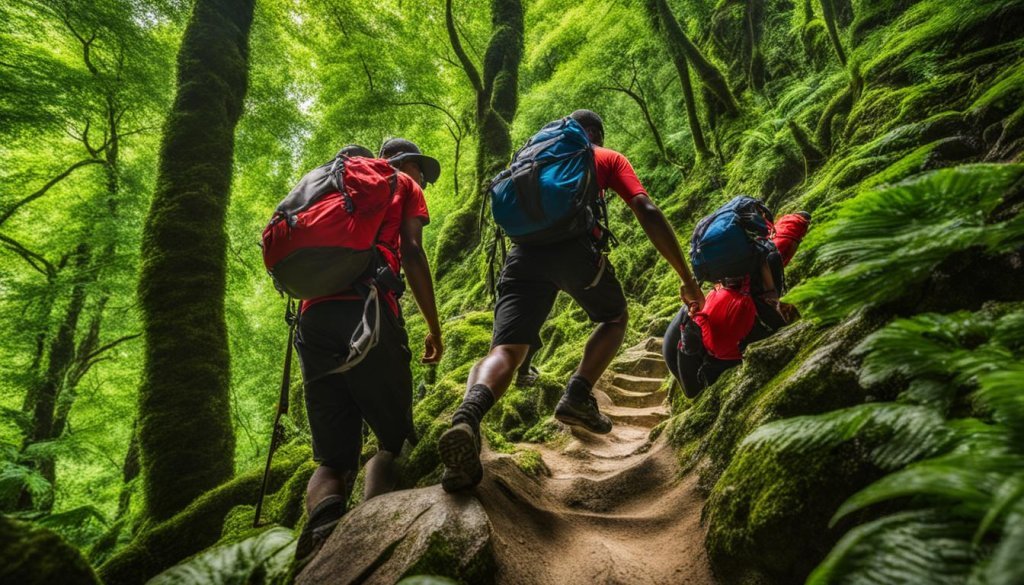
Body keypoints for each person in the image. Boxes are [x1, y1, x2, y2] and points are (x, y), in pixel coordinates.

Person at [438, 109, 705, 493]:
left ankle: (467, 415)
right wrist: (686, 277)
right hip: (575, 252)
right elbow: (645, 209)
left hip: (521, 257)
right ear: (594, 135)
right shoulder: (604, 158)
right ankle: (578, 395)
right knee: (614, 317)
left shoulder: (529, 161)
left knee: (506, 351)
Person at [293, 141, 443, 564]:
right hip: (370, 311)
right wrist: (433, 326)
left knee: (333, 461)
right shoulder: (402, 186)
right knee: (391, 442)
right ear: (404, 164)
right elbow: (412, 253)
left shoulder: (328, 192)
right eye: (421, 169)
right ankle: (369, 538)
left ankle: (322, 542)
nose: (423, 179)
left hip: (313, 321)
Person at [663, 211, 811, 398]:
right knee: (693, 391)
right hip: (696, 335)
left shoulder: (734, 257)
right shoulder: (773, 251)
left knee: (692, 388)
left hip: (686, 325)